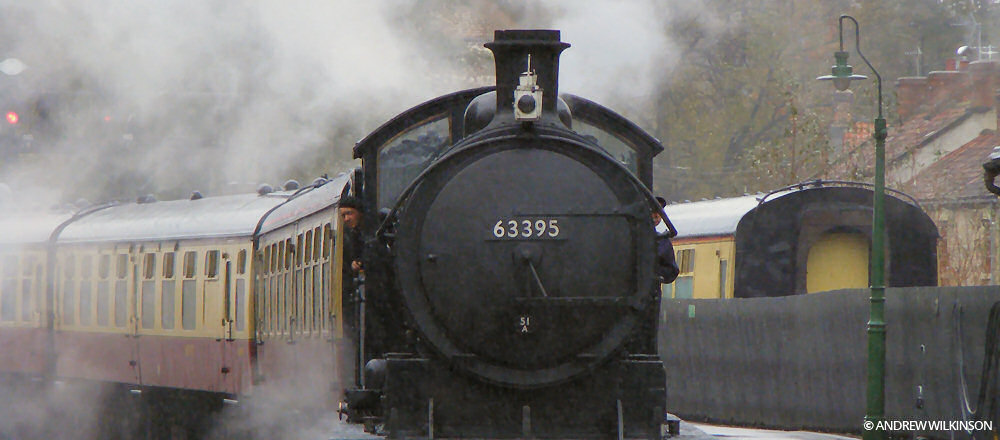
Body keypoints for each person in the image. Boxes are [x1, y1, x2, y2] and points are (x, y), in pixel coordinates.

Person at [653, 196, 680, 285]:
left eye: (659, 211)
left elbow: (671, 271)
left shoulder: (662, 241)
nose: (656, 215)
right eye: (652, 211)